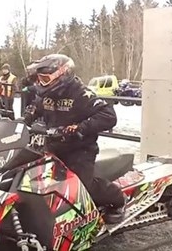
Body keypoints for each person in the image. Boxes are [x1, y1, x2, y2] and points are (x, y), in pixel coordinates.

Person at [23, 54, 126, 224]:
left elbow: (108, 116)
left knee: (82, 186)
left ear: (62, 75)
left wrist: (79, 128)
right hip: (53, 146)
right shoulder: (46, 94)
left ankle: (117, 198)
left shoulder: (81, 94)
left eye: (45, 78)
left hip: (80, 149)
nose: (41, 83)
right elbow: (35, 109)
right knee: (31, 177)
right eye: (39, 78)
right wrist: (23, 120)